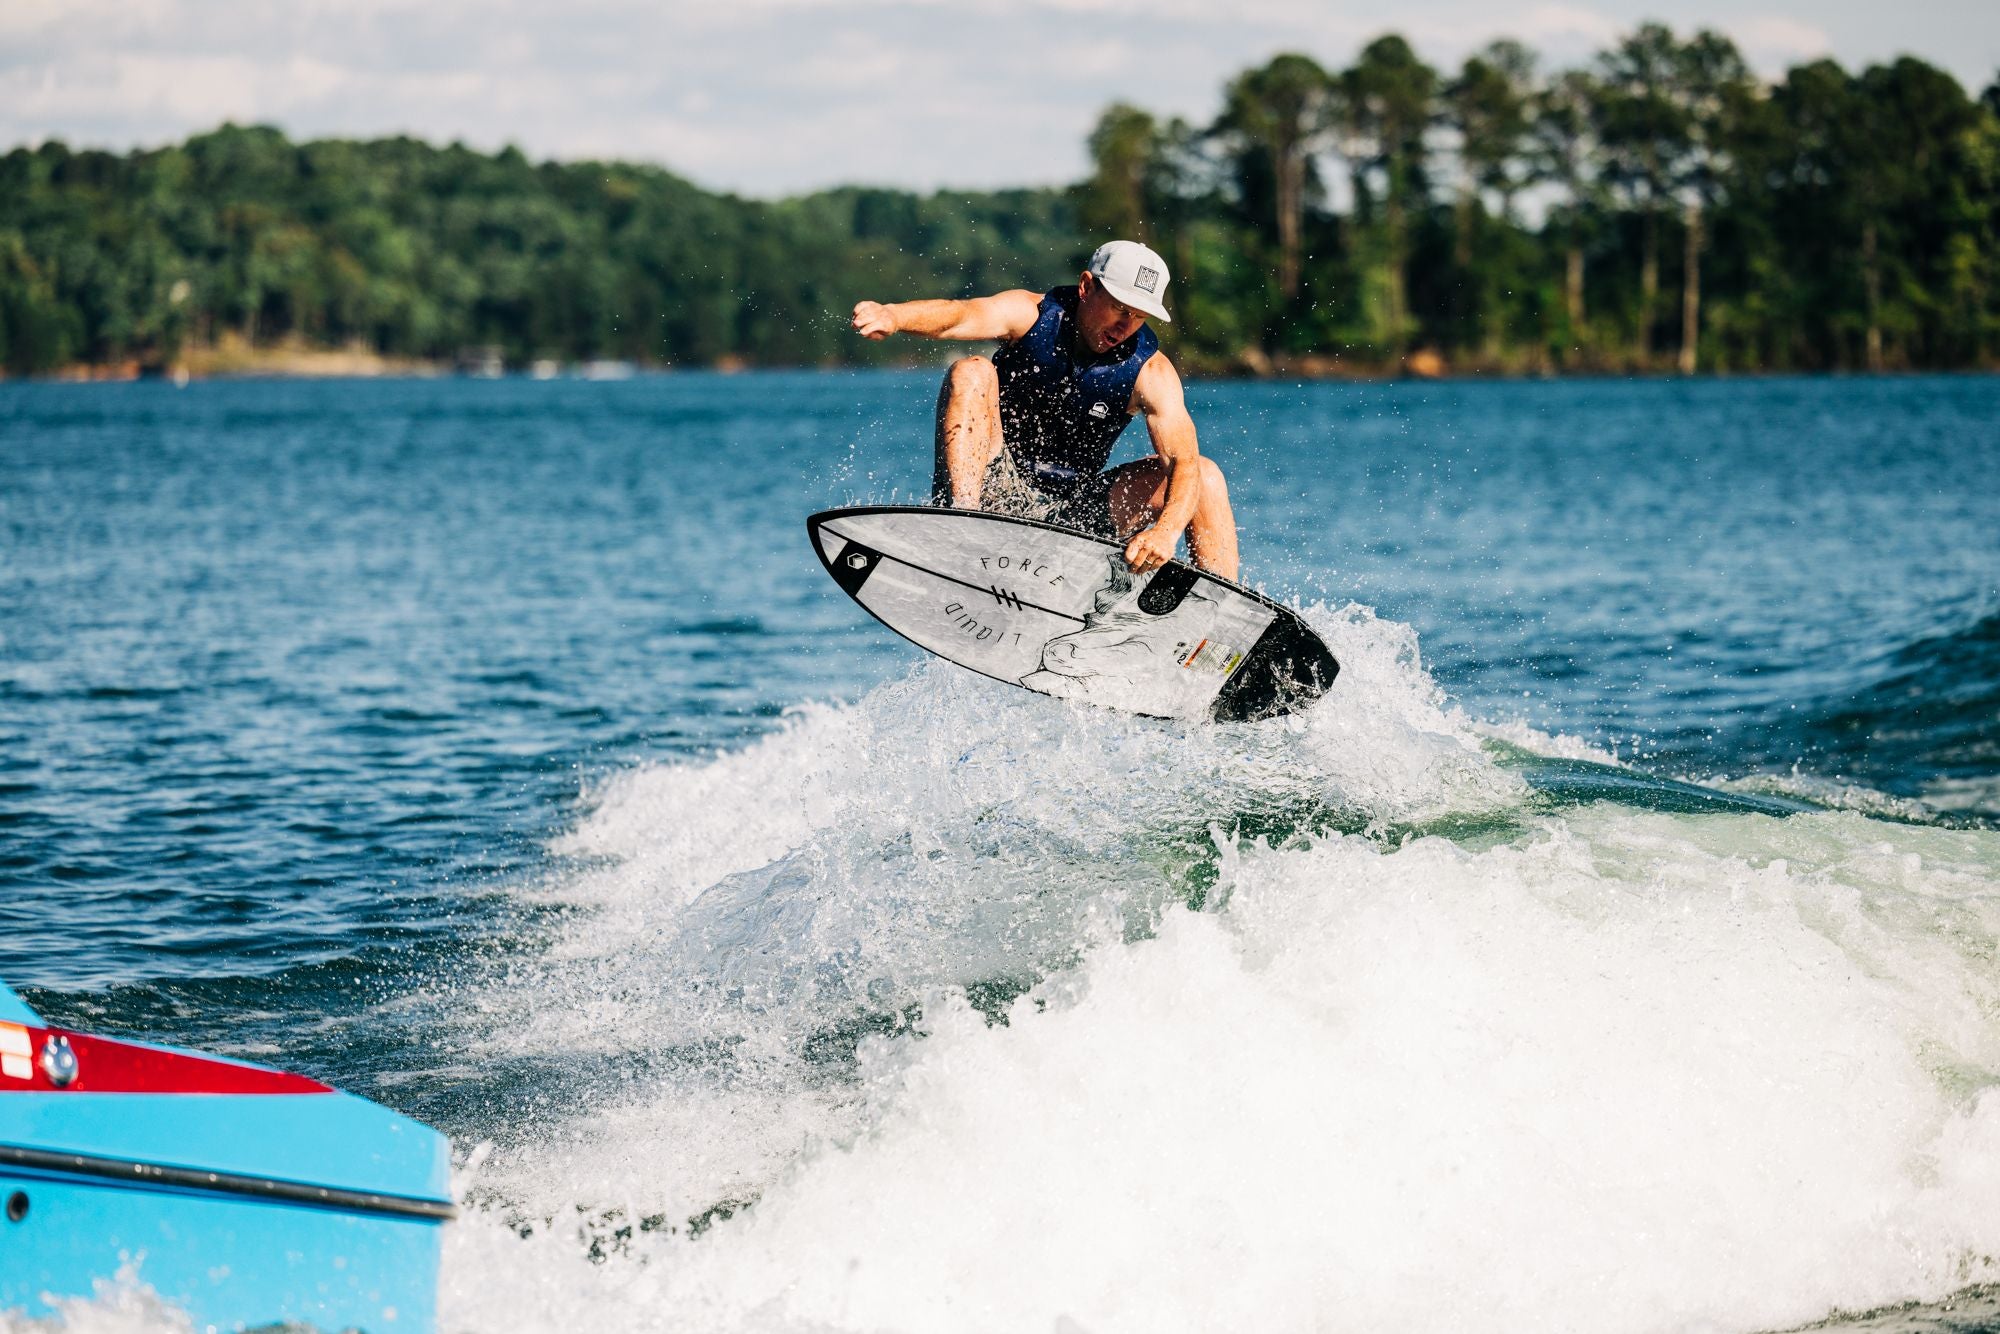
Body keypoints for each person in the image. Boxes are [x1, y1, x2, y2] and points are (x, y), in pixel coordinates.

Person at [850, 240, 1240, 581]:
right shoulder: (1030, 314)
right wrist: (895, 316)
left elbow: (1183, 464)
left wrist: (1165, 532)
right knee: (971, 371)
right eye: (1120, 308)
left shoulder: (1151, 371)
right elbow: (960, 315)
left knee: (1204, 474)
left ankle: (1223, 613)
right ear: (1087, 286)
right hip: (991, 489)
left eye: (1139, 316)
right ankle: (964, 529)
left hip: (1073, 516)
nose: (1127, 326)